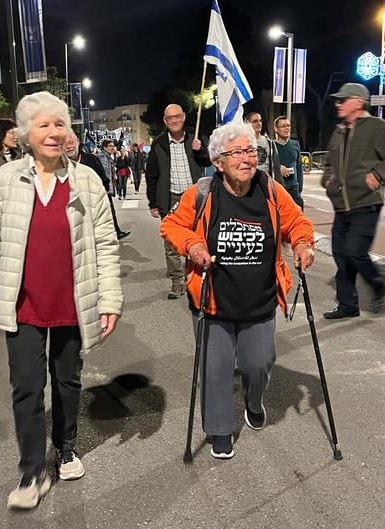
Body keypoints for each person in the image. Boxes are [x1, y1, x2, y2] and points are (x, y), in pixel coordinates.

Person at [0, 91, 123, 510]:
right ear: (25, 134)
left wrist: (109, 300)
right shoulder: (6, 179)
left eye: (59, 124)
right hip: (22, 303)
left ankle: (68, 447)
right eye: (44, 125)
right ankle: (32, 469)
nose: (54, 132)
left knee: (67, 379)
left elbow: (107, 244)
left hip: (73, 300)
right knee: (26, 385)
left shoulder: (86, 180)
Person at [160, 122, 315, 459]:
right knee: (214, 369)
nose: (248, 159)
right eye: (238, 153)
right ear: (218, 162)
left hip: (259, 300)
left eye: (251, 151)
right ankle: (219, 430)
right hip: (212, 300)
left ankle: (253, 398)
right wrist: (193, 245)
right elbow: (171, 225)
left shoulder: (270, 190)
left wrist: (303, 244)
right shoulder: (202, 192)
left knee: (259, 363)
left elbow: (297, 222)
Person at [320, 83, 385, 319]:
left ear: (359, 102)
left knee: (354, 250)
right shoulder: (339, 131)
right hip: (342, 206)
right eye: (337, 100)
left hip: (365, 204)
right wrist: (329, 180)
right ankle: (347, 305)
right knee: (341, 255)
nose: (338, 104)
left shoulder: (376, 127)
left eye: (343, 99)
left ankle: (378, 284)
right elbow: (329, 163)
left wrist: (379, 174)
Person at [146, 103, 212, 299]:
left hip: (195, 197)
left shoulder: (195, 137)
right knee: (172, 244)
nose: (174, 121)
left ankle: (194, 278)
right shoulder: (159, 144)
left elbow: (207, 161)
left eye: (177, 116)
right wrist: (153, 203)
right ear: (165, 122)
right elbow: (152, 175)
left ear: (183, 117)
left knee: (198, 239)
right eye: (169, 118)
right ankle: (177, 281)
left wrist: (200, 150)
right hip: (170, 198)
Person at [64, 133, 130, 239]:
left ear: (78, 142)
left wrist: (104, 192)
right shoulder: (57, 164)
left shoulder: (91, 160)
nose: (68, 146)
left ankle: (113, 233)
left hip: (95, 202)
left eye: (71, 142)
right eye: (64, 143)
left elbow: (103, 178)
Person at [268, 115, 304, 209]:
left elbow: (299, 168)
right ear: (276, 128)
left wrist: (299, 190)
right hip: (278, 189)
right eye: (283, 126)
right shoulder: (271, 145)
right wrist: (278, 167)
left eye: (288, 126)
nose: (287, 128)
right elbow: (266, 166)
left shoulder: (295, 144)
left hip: (294, 190)